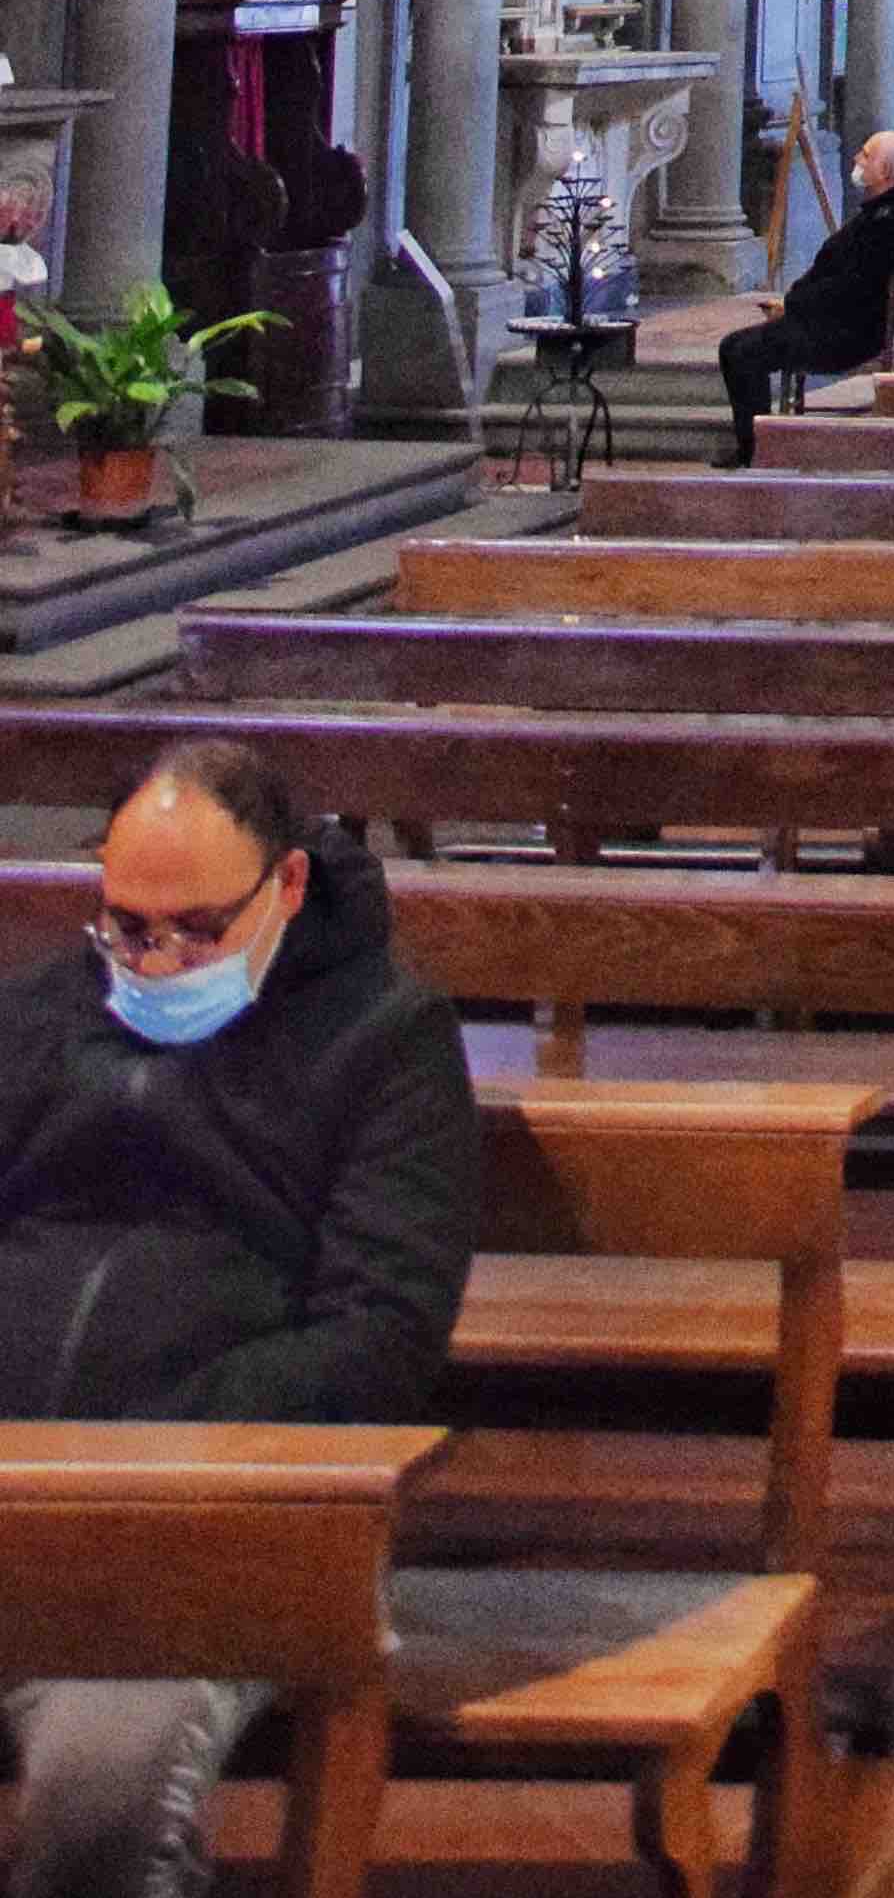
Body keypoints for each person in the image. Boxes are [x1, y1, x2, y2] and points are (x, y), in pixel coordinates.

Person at [0, 735, 481, 1898]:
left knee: (105, 1790)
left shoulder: (388, 1040)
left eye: (198, 930)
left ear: (290, 885)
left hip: (206, 1532)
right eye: (125, 924)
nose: (156, 961)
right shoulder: (41, 1013)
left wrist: (141, 1447)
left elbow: (380, 1335)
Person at [717, 124, 894, 463]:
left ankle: (756, 451)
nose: (858, 158)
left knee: (741, 353)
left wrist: (794, 306)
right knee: (735, 346)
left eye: (867, 155)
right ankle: (756, 445)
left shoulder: (891, 221)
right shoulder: (883, 212)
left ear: (885, 171)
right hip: (830, 323)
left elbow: (852, 287)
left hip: (845, 335)